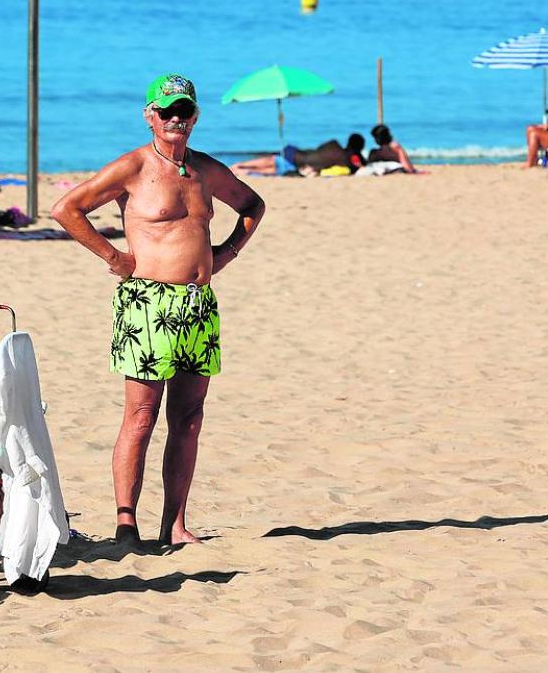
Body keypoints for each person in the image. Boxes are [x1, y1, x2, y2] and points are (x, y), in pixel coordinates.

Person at [50, 74, 264, 547]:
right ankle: (126, 524)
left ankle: (175, 524)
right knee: (141, 416)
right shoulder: (133, 167)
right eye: (166, 111)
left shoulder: (206, 170)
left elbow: (252, 204)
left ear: (195, 116)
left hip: (198, 307)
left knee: (188, 417)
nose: (175, 119)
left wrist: (225, 254)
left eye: (183, 111)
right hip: (149, 303)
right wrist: (114, 258)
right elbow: (67, 208)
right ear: (150, 115)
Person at [231, 134, 367, 176]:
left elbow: (319, 149)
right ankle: (245, 170)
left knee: (274, 160)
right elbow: (359, 166)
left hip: (297, 156)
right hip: (301, 167)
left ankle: (241, 165)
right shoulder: (347, 161)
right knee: (275, 169)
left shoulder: (333, 145)